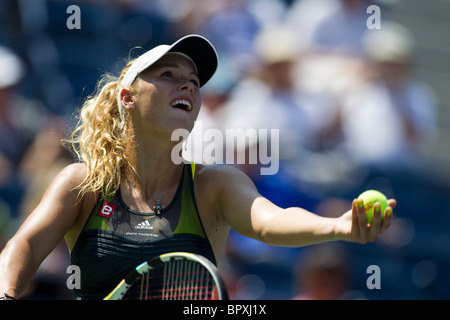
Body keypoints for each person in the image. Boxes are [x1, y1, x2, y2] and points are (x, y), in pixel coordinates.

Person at [0, 34, 395, 300]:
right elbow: (24, 246)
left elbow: (269, 221)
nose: (187, 86)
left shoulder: (215, 185)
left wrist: (336, 227)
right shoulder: (83, 183)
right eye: (169, 76)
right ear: (128, 98)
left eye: (194, 81)